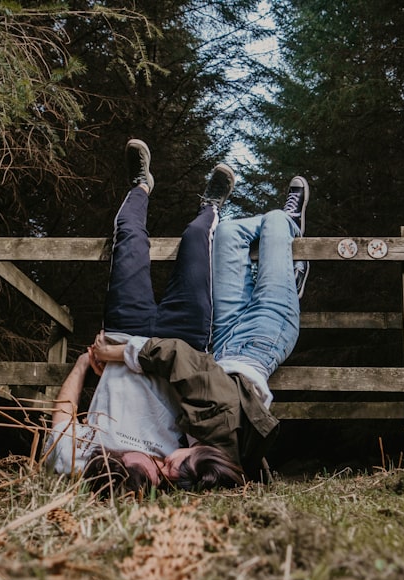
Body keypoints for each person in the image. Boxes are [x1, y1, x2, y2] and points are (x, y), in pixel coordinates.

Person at [47, 138, 308, 493]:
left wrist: (81, 363)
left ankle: (141, 185)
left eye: (148, 469)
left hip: (124, 335)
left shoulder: (81, 461)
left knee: (128, 237)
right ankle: (212, 207)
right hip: (181, 341)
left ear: (112, 464)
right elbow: (201, 389)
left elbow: (61, 419)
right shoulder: (186, 464)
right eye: (158, 477)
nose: (160, 466)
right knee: (197, 239)